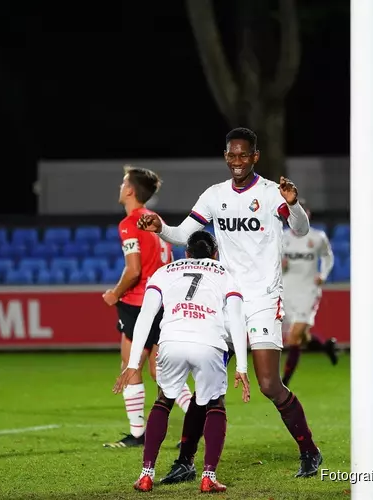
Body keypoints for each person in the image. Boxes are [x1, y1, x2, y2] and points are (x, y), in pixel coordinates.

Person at [137, 127, 323, 479]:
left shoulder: (271, 194)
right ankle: (186, 462)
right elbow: (181, 235)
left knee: (268, 383)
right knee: (207, 383)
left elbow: (299, 230)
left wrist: (294, 204)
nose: (237, 161)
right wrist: (159, 226)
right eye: (231, 155)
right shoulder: (214, 195)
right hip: (223, 300)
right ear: (226, 156)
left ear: (255, 156)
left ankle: (309, 451)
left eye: (243, 155)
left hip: (263, 299)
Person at [113, 231, 250, 493]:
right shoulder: (226, 274)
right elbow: (236, 320)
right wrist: (242, 367)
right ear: (215, 254)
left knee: (163, 401)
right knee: (215, 404)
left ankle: (146, 474)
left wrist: (132, 363)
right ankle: (208, 476)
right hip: (208, 343)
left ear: (185, 253)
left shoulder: (165, 272)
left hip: (171, 342)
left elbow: (146, 316)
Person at [102, 165, 192, 448]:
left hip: (138, 304)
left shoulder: (129, 223)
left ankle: (138, 433)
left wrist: (115, 294)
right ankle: (197, 422)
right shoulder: (155, 220)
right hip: (162, 301)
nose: (120, 187)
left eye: (122, 182)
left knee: (131, 367)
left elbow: (133, 270)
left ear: (130, 190)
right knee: (162, 372)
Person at [281, 198, 337, 387]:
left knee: (293, 336)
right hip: (287, 291)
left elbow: (328, 257)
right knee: (303, 337)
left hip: (308, 291)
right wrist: (280, 265)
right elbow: (272, 262)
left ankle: (284, 382)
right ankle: (326, 347)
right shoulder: (282, 238)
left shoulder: (317, 237)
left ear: (307, 216)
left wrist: (323, 274)